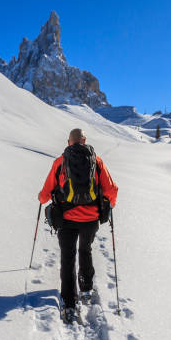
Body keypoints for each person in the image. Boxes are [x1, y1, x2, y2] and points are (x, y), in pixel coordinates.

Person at [38, 128, 118, 322]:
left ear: (69, 142)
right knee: (85, 250)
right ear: (83, 140)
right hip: (90, 219)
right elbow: (111, 190)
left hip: (66, 219)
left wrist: (42, 199)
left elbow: (46, 193)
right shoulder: (97, 161)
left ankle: (69, 302)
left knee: (67, 257)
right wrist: (108, 207)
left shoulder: (60, 162)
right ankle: (86, 288)